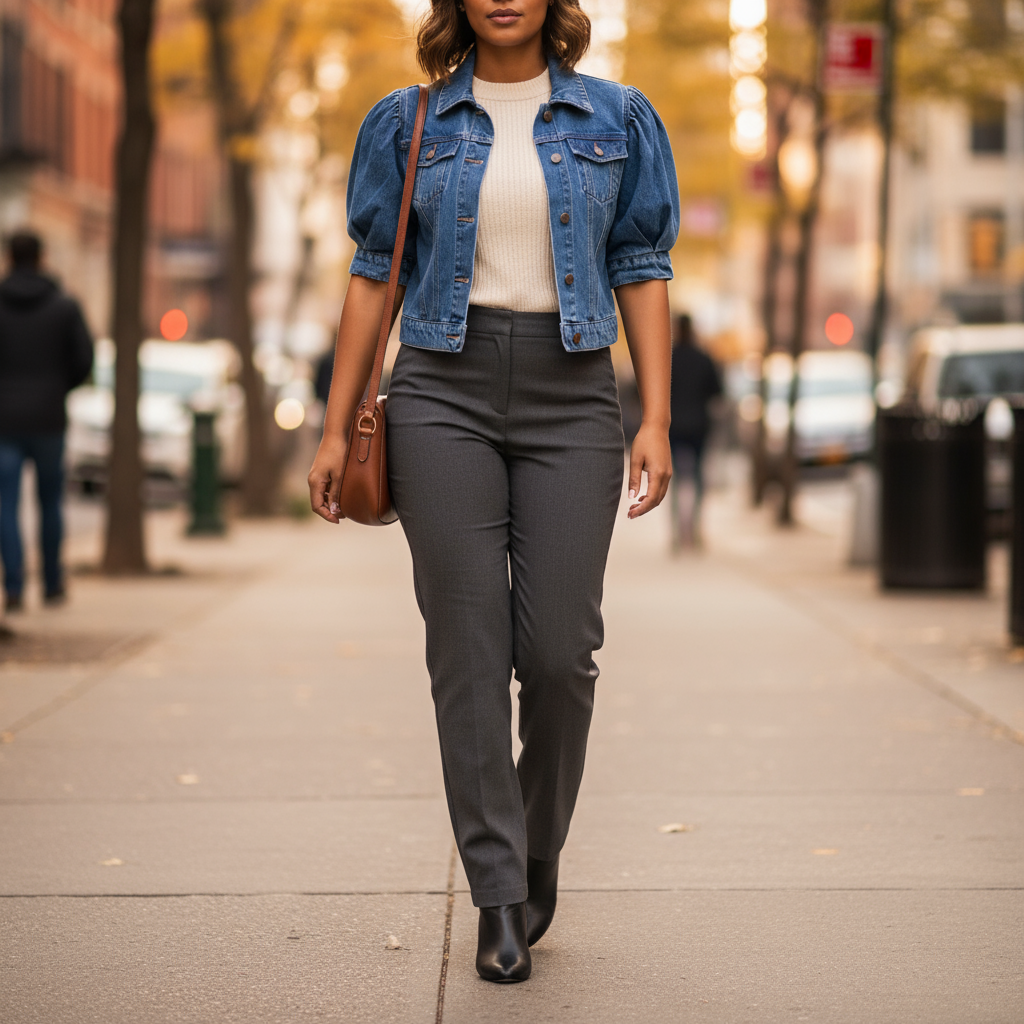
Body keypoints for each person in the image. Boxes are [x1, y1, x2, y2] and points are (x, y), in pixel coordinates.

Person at [308, 0, 678, 982]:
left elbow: (640, 265)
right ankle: (498, 893)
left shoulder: (619, 116)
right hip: (441, 389)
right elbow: (369, 277)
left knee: (560, 651)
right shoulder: (407, 120)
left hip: (572, 394)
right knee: (466, 651)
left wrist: (655, 416)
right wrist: (335, 419)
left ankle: (535, 841)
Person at [0, 231, 93, 611]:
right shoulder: (64, 305)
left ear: (9, 257)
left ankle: (15, 587)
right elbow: (84, 359)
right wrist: (57, 388)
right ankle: (53, 582)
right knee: (50, 500)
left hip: (4, 420)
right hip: (49, 419)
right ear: (42, 257)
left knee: (6, 505)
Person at [669, 313, 722, 550]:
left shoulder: (668, 358)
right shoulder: (703, 358)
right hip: (699, 426)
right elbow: (717, 392)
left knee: (675, 479)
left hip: (672, 426)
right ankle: (696, 529)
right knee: (699, 479)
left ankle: (677, 533)